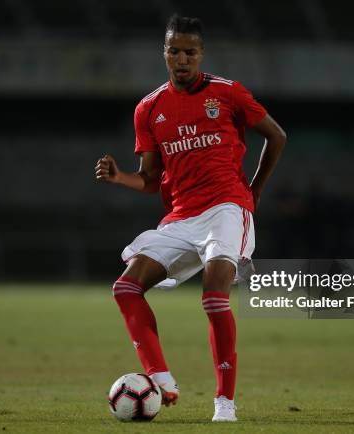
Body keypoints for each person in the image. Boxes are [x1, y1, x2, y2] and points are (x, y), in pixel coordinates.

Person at [95, 14, 286, 422]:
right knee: (126, 287)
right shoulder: (148, 108)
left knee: (214, 295)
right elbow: (149, 179)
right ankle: (159, 376)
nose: (182, 59)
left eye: (189, 52)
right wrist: (119, 178)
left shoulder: (228, 93)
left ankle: (224, 404)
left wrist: (254, 192)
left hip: (227, 208)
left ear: (201, 54)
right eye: (173, 51)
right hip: (182, 216)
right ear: (163, 53)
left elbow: (277, 135)